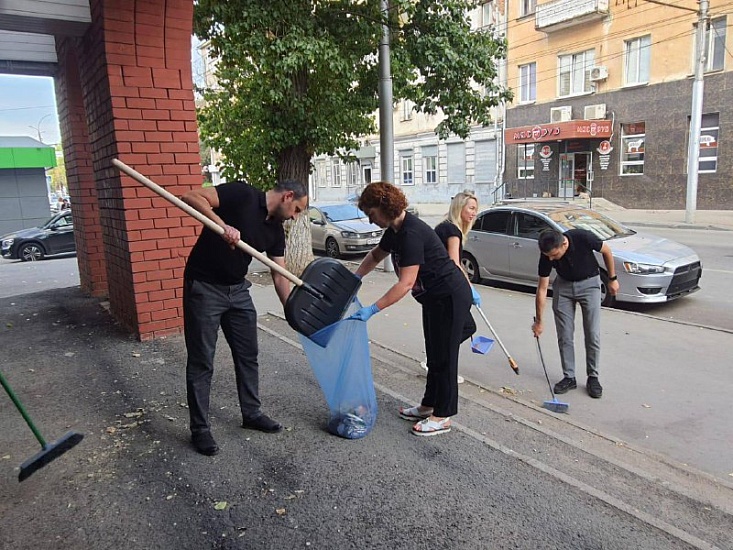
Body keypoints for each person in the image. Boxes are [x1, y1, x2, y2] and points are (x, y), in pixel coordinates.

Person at [180, 179, 308, 455]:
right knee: (202, 361)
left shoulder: (275, 230)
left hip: (238, 291)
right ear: (287, 196)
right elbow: (191, 196)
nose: (296, 217)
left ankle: (251, 413)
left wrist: (292, 313)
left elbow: (279, 273)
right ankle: (200, 429)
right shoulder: (242, 194)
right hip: (204, 287)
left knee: (248, 355)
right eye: (297, 209)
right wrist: (222, 224)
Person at [350, 181, 475, 436]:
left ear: (384, 207)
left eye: (372, 214)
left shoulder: (411, 234)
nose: (372, 221)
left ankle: (443, 416)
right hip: (432, 298)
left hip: (450, 296)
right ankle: (428, 405)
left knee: (446, 356)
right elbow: (375, 255)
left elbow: (405, 283)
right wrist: (355, 279)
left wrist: (372, 309)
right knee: (434, 354)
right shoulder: (396, 231)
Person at [531, 228, 619, 399]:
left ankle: (593, 377)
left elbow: (607, 251)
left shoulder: (583, 237)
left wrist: (612, 279)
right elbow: (542, 289)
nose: (551, 259)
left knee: (592, 333)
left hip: (590, 285)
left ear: (564, 244)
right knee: (564, 335)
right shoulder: (546, 254)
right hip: (563, 287)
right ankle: (569, 376)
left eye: (554, 255)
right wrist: (539, 321)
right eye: (548, 256)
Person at [433, 190, 481, 380]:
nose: (473, 213)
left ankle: (436, 359)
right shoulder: (452, 231)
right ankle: (440, 363)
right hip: (447, 288)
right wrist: (469, 288)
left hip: (439, 287)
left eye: (476, 209)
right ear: (459, 207)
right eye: (470, 208)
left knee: (461, 327)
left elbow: (456, 261)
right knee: (463, 327)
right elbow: (454, 263)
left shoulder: (444, 227)